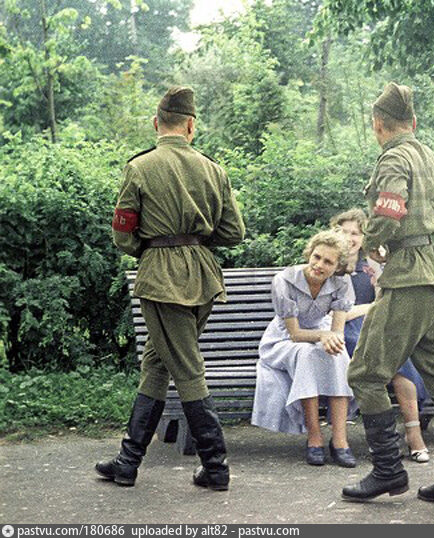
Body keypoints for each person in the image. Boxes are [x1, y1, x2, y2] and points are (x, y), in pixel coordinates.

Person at [97, 86, 246, 491]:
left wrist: (155, 247)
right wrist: (193, 243)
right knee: (157, 363)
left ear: (156, 123)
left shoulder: (140, 167)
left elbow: (123, 233)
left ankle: (216, 467)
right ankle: (127, 462)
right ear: (191, 125)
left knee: (186, 368)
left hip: (162, 278)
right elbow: (234, 231)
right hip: (202, 275)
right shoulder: (213, 169)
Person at [341, 83, 434, 507]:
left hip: (410, 274)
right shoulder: (430, 154)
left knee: (365, 374)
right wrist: (429, 229)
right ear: (411, 123)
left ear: (379, 125)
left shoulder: (394, 156)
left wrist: (377, 243)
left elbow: (389, 206)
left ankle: (387, 471)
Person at [330, 208, 430, 463]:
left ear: (364, 238)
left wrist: (381, 275)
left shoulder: (371, 266)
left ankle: (412, 434)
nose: (349, 238)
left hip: (375, 327)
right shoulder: (328, 263)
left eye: (355, 233)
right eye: (343, 232)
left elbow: (388, 303)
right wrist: (368, 308)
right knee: (378, 353)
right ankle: (388, 439)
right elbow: (331, 311)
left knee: (398, 357)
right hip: (342, 332)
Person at [251, 230, 357, 468]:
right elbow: (296, 334)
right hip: (283, 341)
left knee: (338, 354)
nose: (319, 265)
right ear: (310, 253)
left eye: (328, 262)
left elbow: (337, 330)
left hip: (321, 333)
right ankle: (315, 437)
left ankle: (340, 441)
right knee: (306, 353)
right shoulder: (285, 280)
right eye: (316, 257)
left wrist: (330, 337)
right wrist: (324, 335)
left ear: (338, 266)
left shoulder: (342, 283)